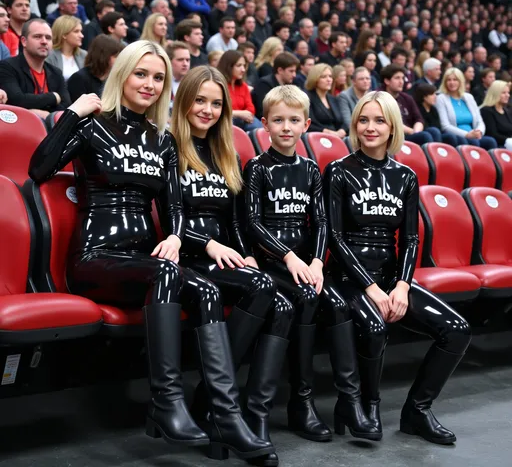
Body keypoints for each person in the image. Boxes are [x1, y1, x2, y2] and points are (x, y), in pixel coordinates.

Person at [28, 40, 273, 462]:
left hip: (145, 259)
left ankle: (224, 414)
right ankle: (166, 401)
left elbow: (174, 207)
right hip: (96, 257)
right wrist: (71, 114)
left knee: (206, 289)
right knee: (168, 274)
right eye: (141, 74)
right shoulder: (94, 124)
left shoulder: (161, 139)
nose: (149, 84)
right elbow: (38, 168)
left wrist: (176, 235)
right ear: (123, 73)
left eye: (158, 78)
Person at [323, 90, 471, 445]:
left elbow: (410, 240)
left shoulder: (404, 176)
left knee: (457, 329)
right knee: (374, 329)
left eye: (379, 120)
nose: (370, 127)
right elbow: (335, 239)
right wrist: (372, 289)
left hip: (391, 276)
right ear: (354, 124)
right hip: (347, 276)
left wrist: (402, 286)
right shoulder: (338, 171)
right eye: (363, 120)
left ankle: (416, 412)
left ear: (393, 127)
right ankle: (367, 405)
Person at [243, 85, 380, 447]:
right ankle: (299, 402)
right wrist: (288, 257)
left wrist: (318, 261)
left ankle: (349, 402)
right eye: (278, 120)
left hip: (308, 264)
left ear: (306, 124)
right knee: (305, 298)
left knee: (336, 303)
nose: (285, 127)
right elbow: (253, 224)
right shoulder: (256, 167)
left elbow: (322, 223)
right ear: (264, 124)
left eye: (293, 120)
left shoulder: (310, 169)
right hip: (273, 263)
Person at [171, 65, 290, 465]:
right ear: (184, 100)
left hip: (224, 256)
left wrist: (249, 254)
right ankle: (222, 408)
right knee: (262, 288)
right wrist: (208, 244)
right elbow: (165, 218)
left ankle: (244, 413)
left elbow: (236, 221)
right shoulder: (168, 146)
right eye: (200, 100)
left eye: (216, 103)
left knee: (283, 303)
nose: (207, 109)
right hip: (187, 256)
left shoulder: (227, 152)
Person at [0, 18, 70, 119]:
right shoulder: (7, 67)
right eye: (38, 37)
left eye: (48, 38)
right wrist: (54, 97)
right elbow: (17, 100)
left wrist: (46, 115)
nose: (44, 41)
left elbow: (66, 107)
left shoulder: (56, 72)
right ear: (24, 41)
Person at [436, 68, 498, 150]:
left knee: (490, 141)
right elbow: (445, 126)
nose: (452, 83)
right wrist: (466, 134)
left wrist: (479, 131)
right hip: (457, 135)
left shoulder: (469, 97)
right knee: (473, 142)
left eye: (455, 80)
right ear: (445, 82)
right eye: (449, 80)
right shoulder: (441, 98)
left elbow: (480, 121)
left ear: (460, 82)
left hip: (473, 134)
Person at [67, 34, 123, 102]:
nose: (120, 60)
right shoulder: (79, 79)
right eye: (116, 56)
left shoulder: (113, 78)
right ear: (104, 56)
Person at [218, 50, 262, 131]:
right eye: (239, 66)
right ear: (228, 66)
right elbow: (219, 110)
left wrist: (245, 114)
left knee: (259, 128)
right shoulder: (219, 86)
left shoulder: (243, 86)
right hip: (226, 122)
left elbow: (251, 107)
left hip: (243, 121)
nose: (243, 70)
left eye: (244, 66)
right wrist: (240, 114)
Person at [413, 83, 465, 147]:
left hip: (437, 133)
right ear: (424, 97)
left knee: (454, 137)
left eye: (435, 94)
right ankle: (437, 153)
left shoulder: (433, 109)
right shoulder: (418, 108)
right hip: (426, 134)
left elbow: (439, 126)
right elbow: (423, 126)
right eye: (432, 94)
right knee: (434, 131)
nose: (435, 96)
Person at [251, 52, 299, 119]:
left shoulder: (290, 85)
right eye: (291, 71)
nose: (294, 75)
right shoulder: (264, 84)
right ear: (280, 70)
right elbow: (263, 111)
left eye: (295, 71)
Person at [305, 63, 346, 138]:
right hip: (316, 139)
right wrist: (328, 132)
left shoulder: (333, 99)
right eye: (324, 77)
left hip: (337, 139)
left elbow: (342, 122)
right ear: (315, 79)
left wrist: (342, 130)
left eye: (330, 76)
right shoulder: (307, 98)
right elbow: (309, 124)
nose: (329, 80)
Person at [46, 16, 86, 81]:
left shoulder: (84, 55)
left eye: (81, 31)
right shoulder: (49, 56)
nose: (82, 35)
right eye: (76, 31)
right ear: (64, 34)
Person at [480, 80, 512, 150]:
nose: (508, 95)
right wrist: (508, 140)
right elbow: (492, 134)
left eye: (508, 93)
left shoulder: (506, 111)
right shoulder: (486, 111)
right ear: (495, 93)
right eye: (504, 93)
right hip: (499, 146)